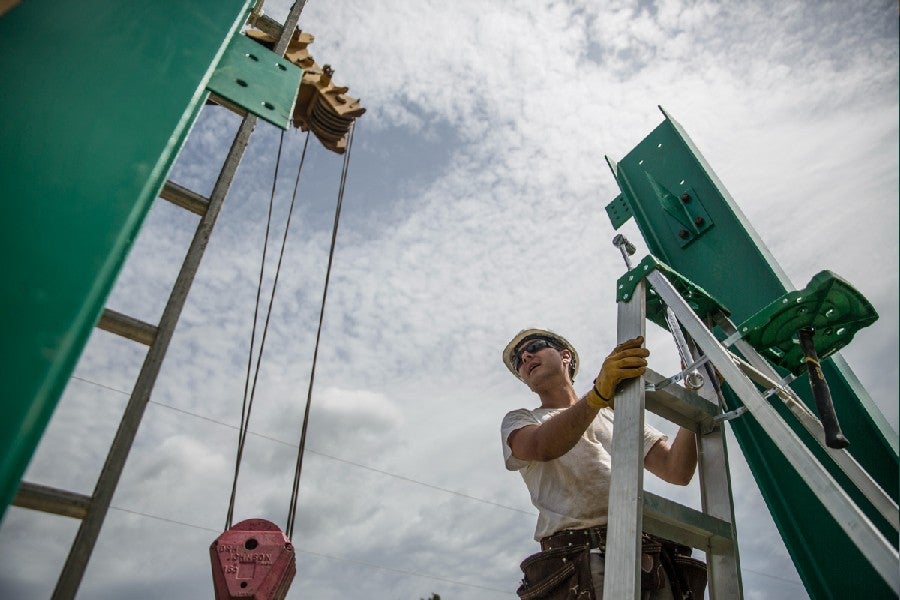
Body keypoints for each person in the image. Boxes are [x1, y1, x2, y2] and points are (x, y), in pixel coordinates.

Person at [500, 328, 706, 599]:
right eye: (518, 361)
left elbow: (675, 469)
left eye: (535, 347)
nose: (525, 357)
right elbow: (541, 446)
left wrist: (695, 392)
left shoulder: (615, 416)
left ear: (565, 357)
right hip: (578, 559)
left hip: (644, 552)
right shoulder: (521, 419)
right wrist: (597, 396)